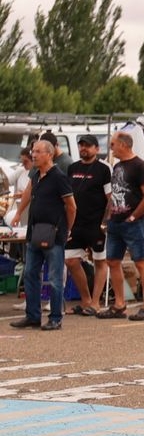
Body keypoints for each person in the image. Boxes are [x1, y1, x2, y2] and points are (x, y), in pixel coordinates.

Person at [8, 140, 75, 331]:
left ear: (49, 154)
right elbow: (28, 193)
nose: (33, 155)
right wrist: (19, 213)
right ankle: (32, 316)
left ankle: (55, 318)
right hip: (35, 232)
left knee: (54, 278)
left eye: (38, 151)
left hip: (54, 234)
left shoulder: (58, 177)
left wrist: (67, 229)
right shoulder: (36, 175)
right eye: (33, 151)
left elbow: (71, 206)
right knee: (30, 274)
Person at [99, 131, 144, 321]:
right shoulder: (117, 166)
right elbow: (114, 193)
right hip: (115, 221)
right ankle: (119, 304)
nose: (111, 149)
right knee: (113, 261)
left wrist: (133, 216)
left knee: (140, 261)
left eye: (113, 144)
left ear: (123, 145)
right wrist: (107, 217)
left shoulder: (140, 166)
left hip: (133, 223)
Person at [64, 134, 111, 317]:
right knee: (71, 261)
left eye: (88, 145)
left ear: (96, 149)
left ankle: (96, 302)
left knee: (100, 261)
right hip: (76, 224)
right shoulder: (72, 168)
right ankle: (85, 300)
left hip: (95, 224)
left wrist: (105, 222)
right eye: (81, 145)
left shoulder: (104, 169)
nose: (84, 148)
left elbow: (110, 198)